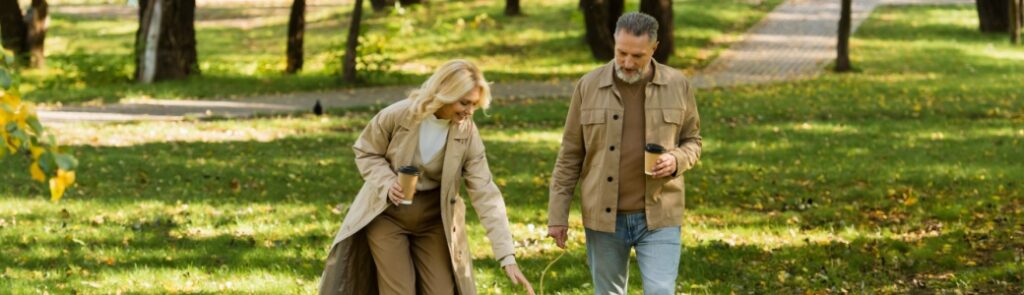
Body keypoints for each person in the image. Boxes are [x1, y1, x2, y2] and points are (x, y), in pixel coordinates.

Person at [319, 59, 535, 295]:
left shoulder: (467, 132)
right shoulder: (398, 114)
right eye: (464, 103)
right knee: (400, 291)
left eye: (474, 105)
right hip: (387, 215)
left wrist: (506, 255)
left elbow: (485, 191)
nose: (470, 111)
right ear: (444, 93)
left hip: (434, 220)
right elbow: (366, 150)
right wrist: (387, 182)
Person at [546, 12, 702, 295]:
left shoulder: (678, 85)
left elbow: (693, 140)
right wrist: (558, 216)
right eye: (621, 53)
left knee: (660, 291)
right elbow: (569, 155)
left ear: (654, 49)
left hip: (659, 215)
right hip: (604, 219)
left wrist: (677, 159)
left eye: (637, 56)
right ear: (614, 43)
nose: (628, 63)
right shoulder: (588, 86)